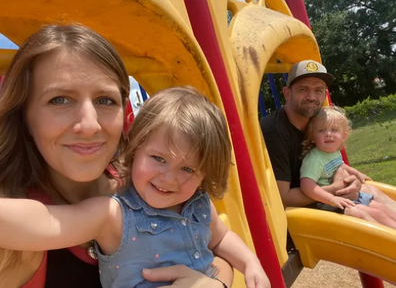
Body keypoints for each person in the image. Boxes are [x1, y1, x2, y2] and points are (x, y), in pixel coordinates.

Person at [0, 24, 233, 288]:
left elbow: (211, 249)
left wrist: (217, 282)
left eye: (105, 100)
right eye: (60, 100)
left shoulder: (150, 186)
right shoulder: (16, 243)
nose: (89, 125)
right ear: (24, 116)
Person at [0, 87, 270, 288]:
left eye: (187, 169)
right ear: (135, 149)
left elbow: (220, 238)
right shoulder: (114, 215)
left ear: (204, 173)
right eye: (159, 159)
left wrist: (249, 262)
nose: (170, 178)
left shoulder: (199, 203)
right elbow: (45, 222)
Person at [260, 60, 396, 212]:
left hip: (326, 195)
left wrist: (353, 182)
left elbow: (333, 163)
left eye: (318, 90)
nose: (311, 97)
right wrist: (336, 188)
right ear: (287, 94)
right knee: (364, 212)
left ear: (324, 94)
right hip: (300, 211)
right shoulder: (273, 131)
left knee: (374, 193)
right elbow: (283, 198)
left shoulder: (318, 120)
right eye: (303, 89)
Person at [300, 106, 396, 229]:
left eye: (334, 130)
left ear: (343, 136)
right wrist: (331, 198)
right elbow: (306, 185)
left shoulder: (333, 152)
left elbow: (340, 164)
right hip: (329, 203)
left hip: (346, 196)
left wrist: (357, 173)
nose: (328, 134)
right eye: (321, 130)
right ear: (312, 137)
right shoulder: (314, 159)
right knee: (371, 213)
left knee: (380, 208)